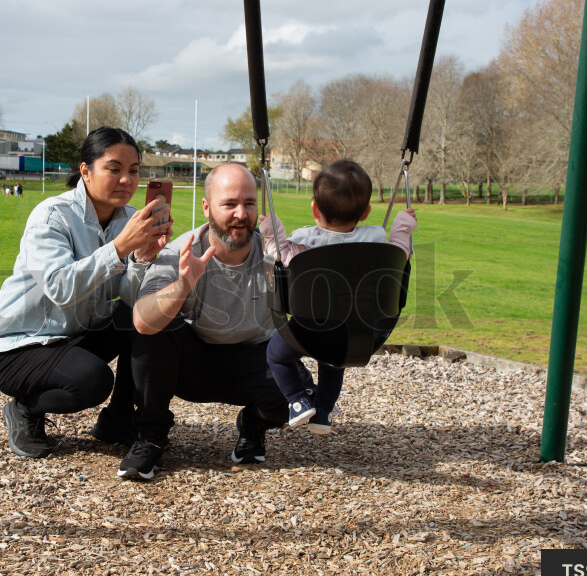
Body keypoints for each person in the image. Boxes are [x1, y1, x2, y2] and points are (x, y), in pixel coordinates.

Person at [0, 126, 171, 459]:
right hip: (18, 345)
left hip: (72, 334)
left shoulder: (129, 219)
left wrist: (141, 259)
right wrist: (119, 248)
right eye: (113, 169)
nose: (126, 180)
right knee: (92, 381)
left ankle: (118, 420)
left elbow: (128, 297)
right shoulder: (52, 216)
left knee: (143, 318)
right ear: (85, 171)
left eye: (133, 171)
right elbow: (60, 288)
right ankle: (24, 408)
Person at [118, 162, 305, 481]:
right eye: (229, 204)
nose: (241, 214)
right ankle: (150, 436)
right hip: (194, 364)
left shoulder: (275, 253)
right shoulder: (180, 251)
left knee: (299, 393)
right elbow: (142, 322)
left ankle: (254, 423)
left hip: (253, 357)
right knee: (159, 324)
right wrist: (182, 286)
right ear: (206, 207)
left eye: (249, 203)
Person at [259, 159, 417, 434]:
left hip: (306, 330)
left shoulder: (304, 243)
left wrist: (273, 231)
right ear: (366, 213)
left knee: (276, 355)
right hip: (353, 334)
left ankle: (297, 401)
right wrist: (402, 228)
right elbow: (400, 256)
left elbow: (280, 255)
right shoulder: (377, 244)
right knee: (334, 362)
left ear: (314, 208)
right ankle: (322, 412)